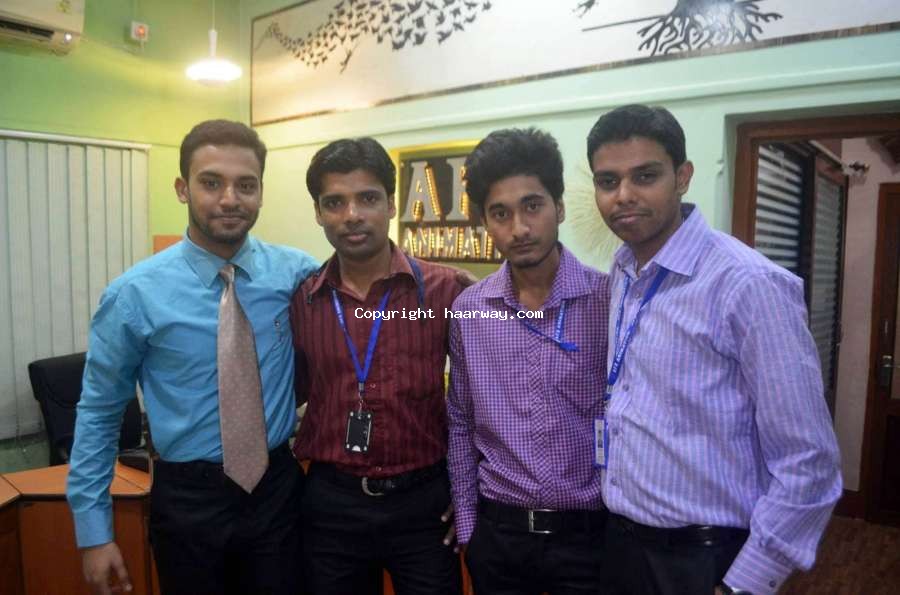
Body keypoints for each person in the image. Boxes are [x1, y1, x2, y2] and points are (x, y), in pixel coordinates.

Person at [587, 104, 842, 595]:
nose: (624, 196)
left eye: (645, 176)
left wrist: (744, 584)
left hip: (704, 559)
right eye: (608, 181)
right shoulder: (623, 270)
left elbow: (809, 460)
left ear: (683, 177)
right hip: (621, 545)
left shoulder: (748, 284)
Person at [66, 120, 318, 595]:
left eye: (246, 185)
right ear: (183, 189)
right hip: (187, 502)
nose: (230, 199)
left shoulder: (298, 275)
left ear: (261, 192)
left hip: (278, 496)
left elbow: (370, 307)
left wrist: (449, 303)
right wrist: (94, 533)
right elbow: (99, 413)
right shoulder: (133, 295)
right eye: (211, 182)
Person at [289, 137, 464, 595]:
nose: (352, 215)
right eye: (335, 202)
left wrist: (467, 490)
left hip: (425, 504)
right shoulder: (304, 300)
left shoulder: (446, 291)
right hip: (332, 505)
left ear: (390, 203)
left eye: (367, 198)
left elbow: (479, 398)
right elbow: (294, 391)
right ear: (318, 212)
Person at [447, 127, 610, 595]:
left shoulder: (607, 299)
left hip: (589, 538)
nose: (518, 228)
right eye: (500, 213)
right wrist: (468, 526)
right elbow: (460, 421)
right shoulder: (469, 310)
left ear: (559, 207)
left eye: (532, 206)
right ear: (486, 222)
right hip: (499, 538)